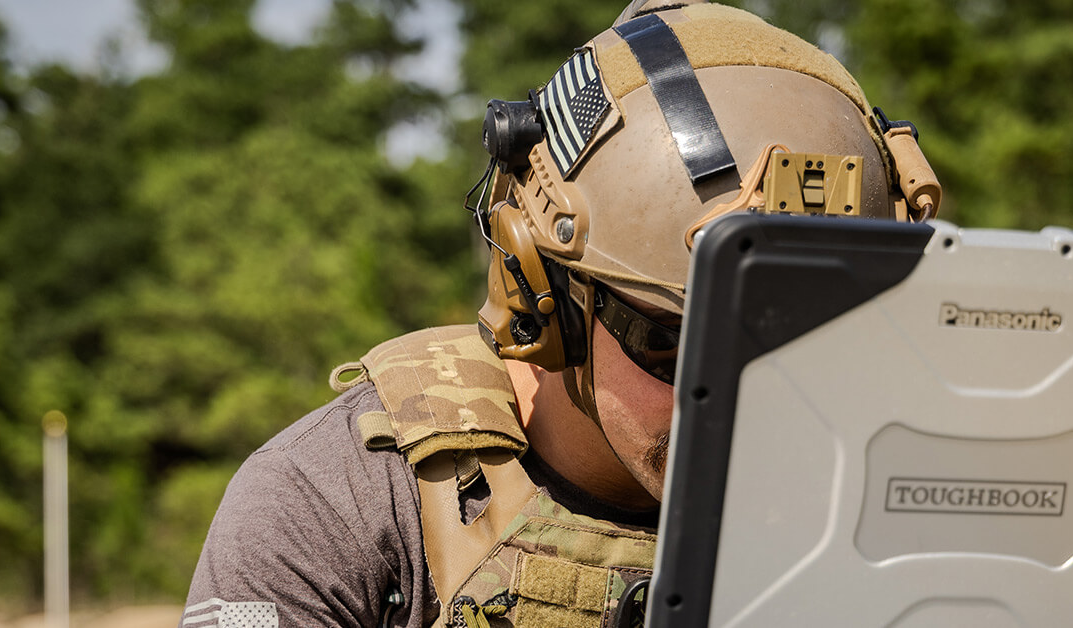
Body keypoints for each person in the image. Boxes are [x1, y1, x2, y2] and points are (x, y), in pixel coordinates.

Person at [181, 1, 940, 626]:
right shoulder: (333, 505)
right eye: (677, 344)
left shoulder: (899, 491)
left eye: (808, 340)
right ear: (544, 294)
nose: (747, 399)